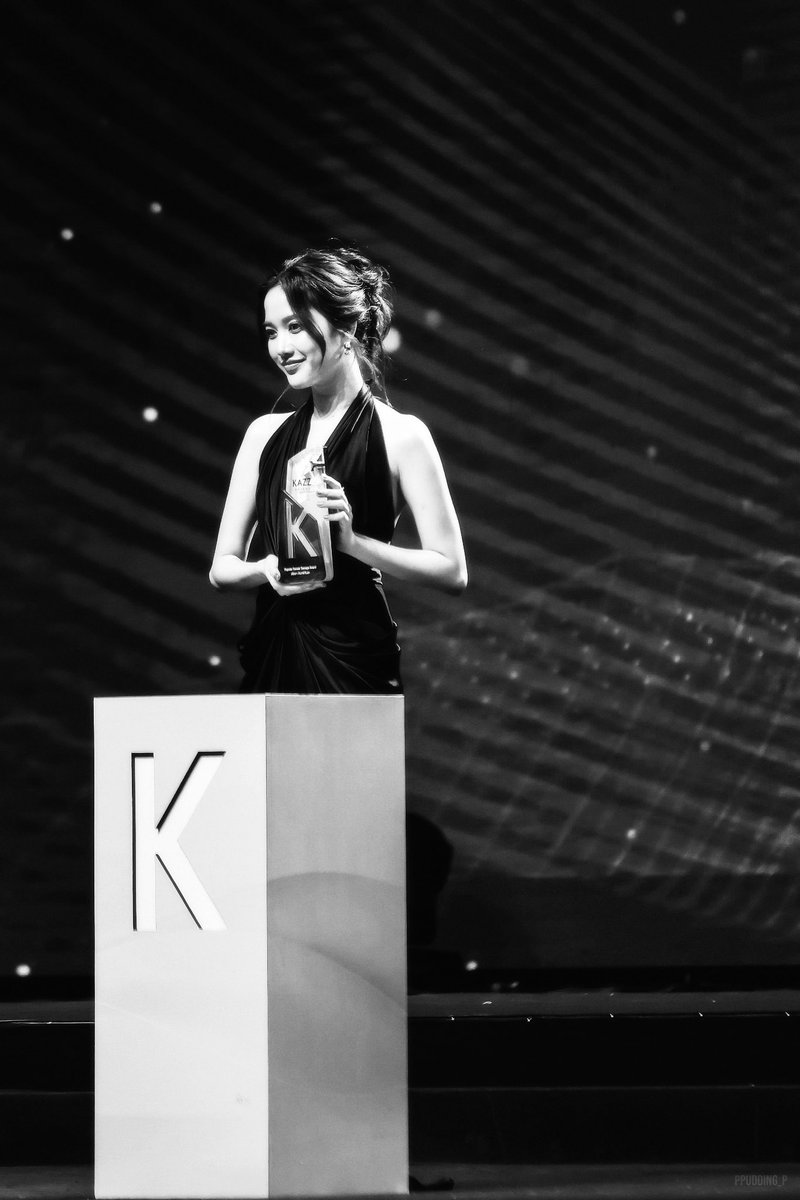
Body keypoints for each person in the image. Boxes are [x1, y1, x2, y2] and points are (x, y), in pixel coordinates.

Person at [209, 245, 467, 693]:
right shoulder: (263, 435)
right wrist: (268, 568)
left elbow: (451, 571)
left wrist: (352, 543)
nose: (281, 348)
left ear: (346, 328)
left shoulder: (402, 435)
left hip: (354, 659)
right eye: (271, 332)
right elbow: (221, 569)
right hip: (275, 648)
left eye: (295, 327)